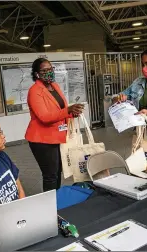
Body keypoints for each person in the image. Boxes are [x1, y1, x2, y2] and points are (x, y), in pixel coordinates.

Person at [25, 58, 84, 192]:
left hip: (56, 136)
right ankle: (50, 206)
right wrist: (67, 110)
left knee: (57, 172)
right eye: (44, 70)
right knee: (50, 175)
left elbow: (59, 110)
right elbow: (44, 117)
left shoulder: (54, 86)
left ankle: (56, 200)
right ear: (36, 74)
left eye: (50, 69)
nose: (49, 72)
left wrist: (71, 113)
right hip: (42, 140)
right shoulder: (35, 91)